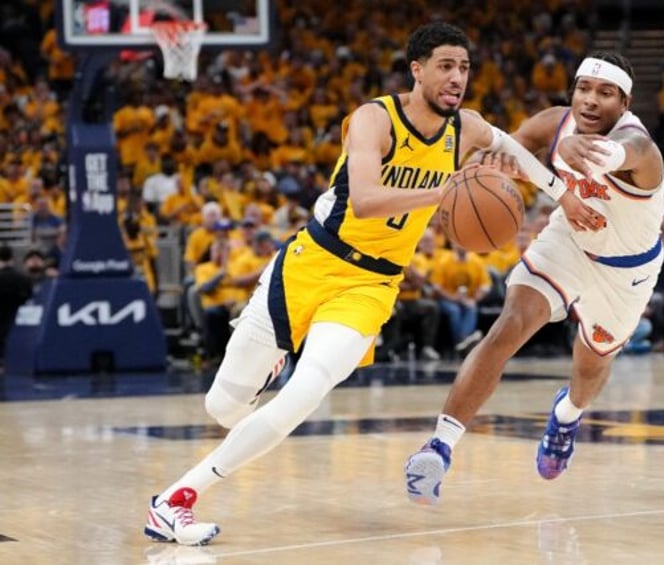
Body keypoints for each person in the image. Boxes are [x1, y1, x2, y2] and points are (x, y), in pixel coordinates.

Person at [143, 22, 574, 546]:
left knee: (304, 395)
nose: (456, 77)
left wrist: (562, 194)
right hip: (308, 264)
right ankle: (273, 358)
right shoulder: (376, 119)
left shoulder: (470, 128)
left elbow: (516, 152)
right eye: (445, 65)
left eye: (463, 67)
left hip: (371, 287)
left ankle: (176, 499)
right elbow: (366, 199)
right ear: (416, 70)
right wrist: (447, 190)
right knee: (224, 408)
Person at [405, 51, 664, 505]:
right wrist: (487, 168)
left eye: (605, 94)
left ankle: (566, 416)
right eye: (584, 89)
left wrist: (567, 151)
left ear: (624, 103)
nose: (590, 100)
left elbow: (613, 153)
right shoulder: (554, 122)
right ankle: (440, 446)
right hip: (567, 241)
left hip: (627, 269)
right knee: (507, 327)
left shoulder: (641, 148)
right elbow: (506, 150)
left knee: (590, 368)